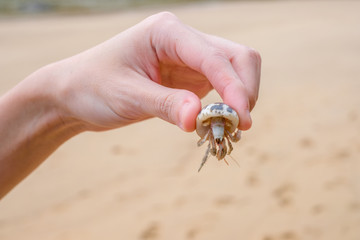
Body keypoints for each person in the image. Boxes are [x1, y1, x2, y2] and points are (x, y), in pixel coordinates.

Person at [0, 12, 261, 199]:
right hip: (218, 117)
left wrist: (60, 103)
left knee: (214, 144)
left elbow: (231, 134)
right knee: (211, 146)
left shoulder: (221, 130)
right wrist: (60, 102)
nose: (219, 142)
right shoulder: (215, 128)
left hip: (219, 118)